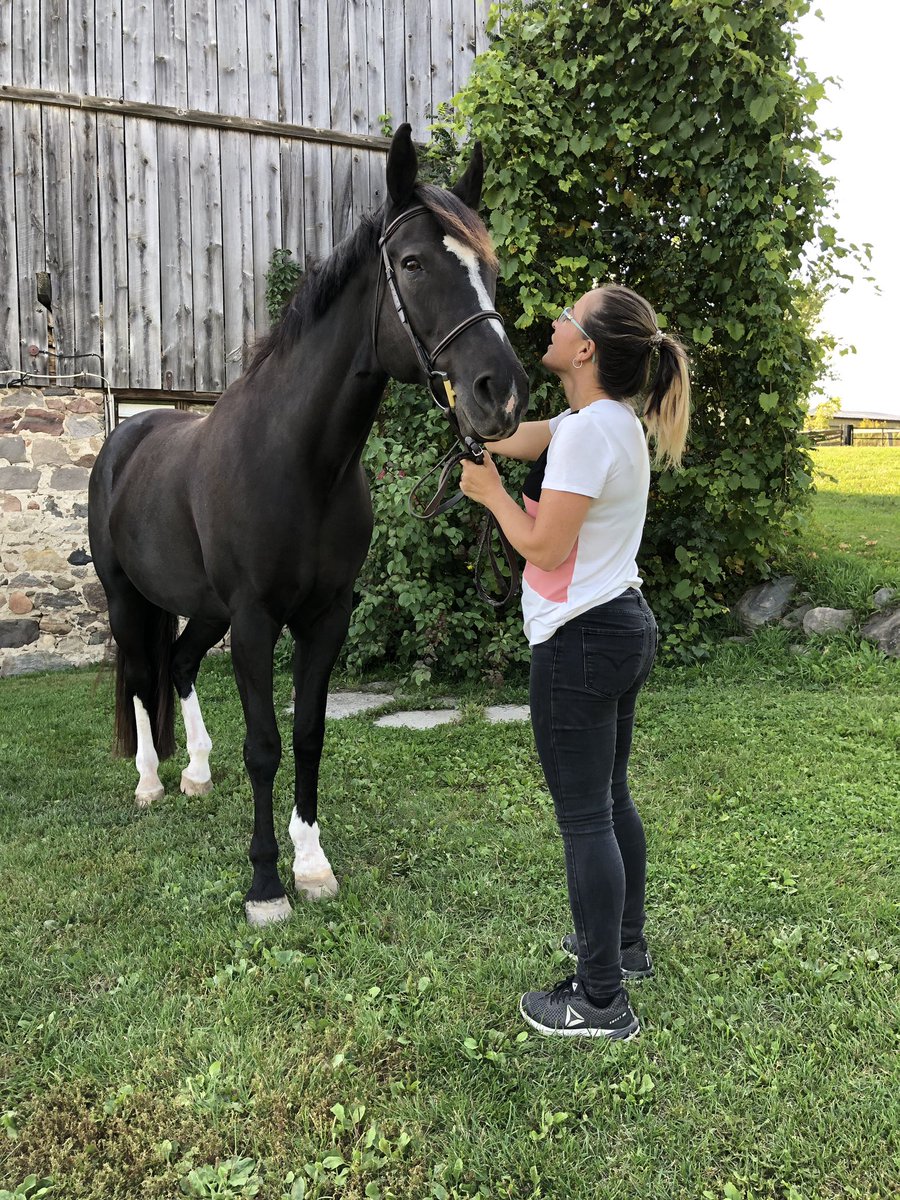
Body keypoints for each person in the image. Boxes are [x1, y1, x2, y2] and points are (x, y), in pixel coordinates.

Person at [459, 283, 690, 1040]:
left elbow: (544, 546)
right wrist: (474, 424)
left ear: (585, 348)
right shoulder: (602, 421)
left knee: (585, 816)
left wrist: (492, 497)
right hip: (618, 627)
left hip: (581, 640)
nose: (551, 323)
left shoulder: (591, 434)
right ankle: (623, 947)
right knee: (610, 799)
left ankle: (600, 999)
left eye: (566, 316)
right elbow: (524, 437)